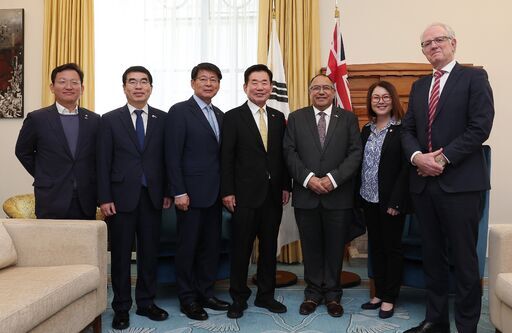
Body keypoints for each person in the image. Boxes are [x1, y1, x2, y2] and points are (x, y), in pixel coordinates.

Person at [402, 23, 494, 333]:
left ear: (453, 43)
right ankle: (435, 320)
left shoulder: (474, 78)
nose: (433, 46)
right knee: (433, 257)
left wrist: (441, 158)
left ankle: (467, 326)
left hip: (461, 186)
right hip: (424, 187)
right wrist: (418, 158)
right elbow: (408, 131)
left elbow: (480, 127)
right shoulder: (418, 87)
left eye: (439, 39)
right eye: (426, 43)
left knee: (465, 261)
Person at [97, 66, 172, 330]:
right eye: (133, 82)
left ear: (151, 87)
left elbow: (167, 160)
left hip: (152, 197)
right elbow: (103, 162)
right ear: (124, 87)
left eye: (144, 82)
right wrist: (104, 197)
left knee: (149, 254)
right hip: (119, 198)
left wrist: (166, 192)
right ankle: (121, 308)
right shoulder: (109, 119)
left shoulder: (163, 119)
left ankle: (146, 302)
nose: (138, 86)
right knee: (119, 256)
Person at [283, 74, 362, 318]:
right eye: (315, 88)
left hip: (338, 195)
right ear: (309, 92)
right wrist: (308, 179)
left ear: (333, 92)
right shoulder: (296, 118)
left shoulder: (347, 118)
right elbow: (289, 152)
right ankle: (313, 293)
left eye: (325, 88)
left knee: (336, 247)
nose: (320, 92)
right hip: (306, 195)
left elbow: (355, 153)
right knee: (311, 246)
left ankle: (333, 295)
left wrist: (333, 179)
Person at [220, 64, 291, 319]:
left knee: (269, 249)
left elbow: (283, 157)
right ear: (245, 87)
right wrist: (227, 191)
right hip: (243, 197)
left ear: (271, 88)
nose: (260, 87)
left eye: (264, 83)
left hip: (272, 196)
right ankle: (238, 298)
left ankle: (266, 295)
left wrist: (285, 186)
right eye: (254, 82)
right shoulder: (232, 117)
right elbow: (226, 158)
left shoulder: (277, 117)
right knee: (241, 250)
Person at [166, 62, 230, 321]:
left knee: (210, 248)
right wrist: (178, 191)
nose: (208, 84)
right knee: (188, 248)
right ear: (192, 83)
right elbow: (172, 155)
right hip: (189, 195)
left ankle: (206, 292)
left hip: (214, 195)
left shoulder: (222, 115)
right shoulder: (180, 111)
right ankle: (188, 298)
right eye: (203, 79)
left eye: (214, 80)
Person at [15, 63, 100, 220]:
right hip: (51, 197)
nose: (69, 86)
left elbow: (99, 157)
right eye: (62, 81)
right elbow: (22, 151)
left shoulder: (94, 120)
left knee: (84, 244)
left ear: (82, 88)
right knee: (49, 244)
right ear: (52, 87)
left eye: (74, 82)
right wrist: (44, 174)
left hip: (85, 198)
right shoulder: (37, 118)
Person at [358, 81, 409, 319]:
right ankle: (378, 293)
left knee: (392, 248)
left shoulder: (402, 130)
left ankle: (390, 297)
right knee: (376, 247)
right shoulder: (366, 129)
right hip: (369, 198)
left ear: (393, 100)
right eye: (375, 97)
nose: (380, 101)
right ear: (370, 102)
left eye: (385, 96)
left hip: (391, 202)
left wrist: (397, 202)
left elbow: (405, 169)